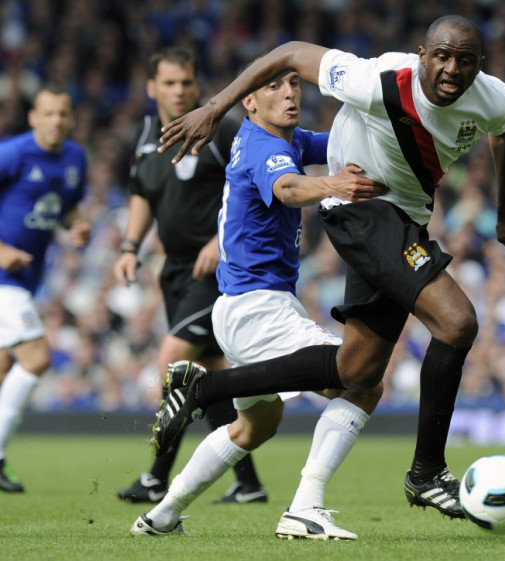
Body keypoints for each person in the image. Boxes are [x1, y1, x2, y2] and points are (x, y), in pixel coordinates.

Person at [152, 14, 505, 519]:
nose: (451, 70)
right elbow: (290, 54)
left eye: (465, 61)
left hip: (401, 221)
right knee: (458, 321)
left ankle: (201, 397)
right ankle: (425, 471)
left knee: (357, 373)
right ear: (421, 56)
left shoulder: (493, 98)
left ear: (480, 66)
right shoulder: (374, 81)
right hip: (361, 216)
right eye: (441, 57)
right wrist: (213, 107)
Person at [131, 68, 387, 539]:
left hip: (241, 307)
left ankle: (162, 515)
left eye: (294, 83)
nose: (289, 92)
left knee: (255, 428)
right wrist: (334, 185)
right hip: (257, 308)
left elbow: (336, 143)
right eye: (273, 86)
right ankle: (305, 506)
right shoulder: (265, 148)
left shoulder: (283, 140)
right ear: (247, 103)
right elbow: (288, 188)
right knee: (361, 381)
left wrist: (394, 135)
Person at [113, 47, 267, 504]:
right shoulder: (145, 136)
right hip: (175, 272)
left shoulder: (221, 131)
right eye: (170, 83)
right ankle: (248, 484)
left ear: (198, 86)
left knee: (174, 363)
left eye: (186, 82)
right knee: (210, 375)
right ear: (152, 88)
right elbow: (142, 190)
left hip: (219, 269)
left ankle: (157, 478)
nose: (179, 91)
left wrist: (219, 240)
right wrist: (129, 245)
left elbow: (252, 186)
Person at [0, 84, 91, 492]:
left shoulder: (74, 158)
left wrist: (77, 226)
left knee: (4, 368)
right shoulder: (12, 154)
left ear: (71, 119)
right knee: (36, 357)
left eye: (63, 114)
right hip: (3, 278)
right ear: (34, 117)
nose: (56, 120)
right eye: (48, 113)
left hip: (25, 281)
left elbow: (66, 205)